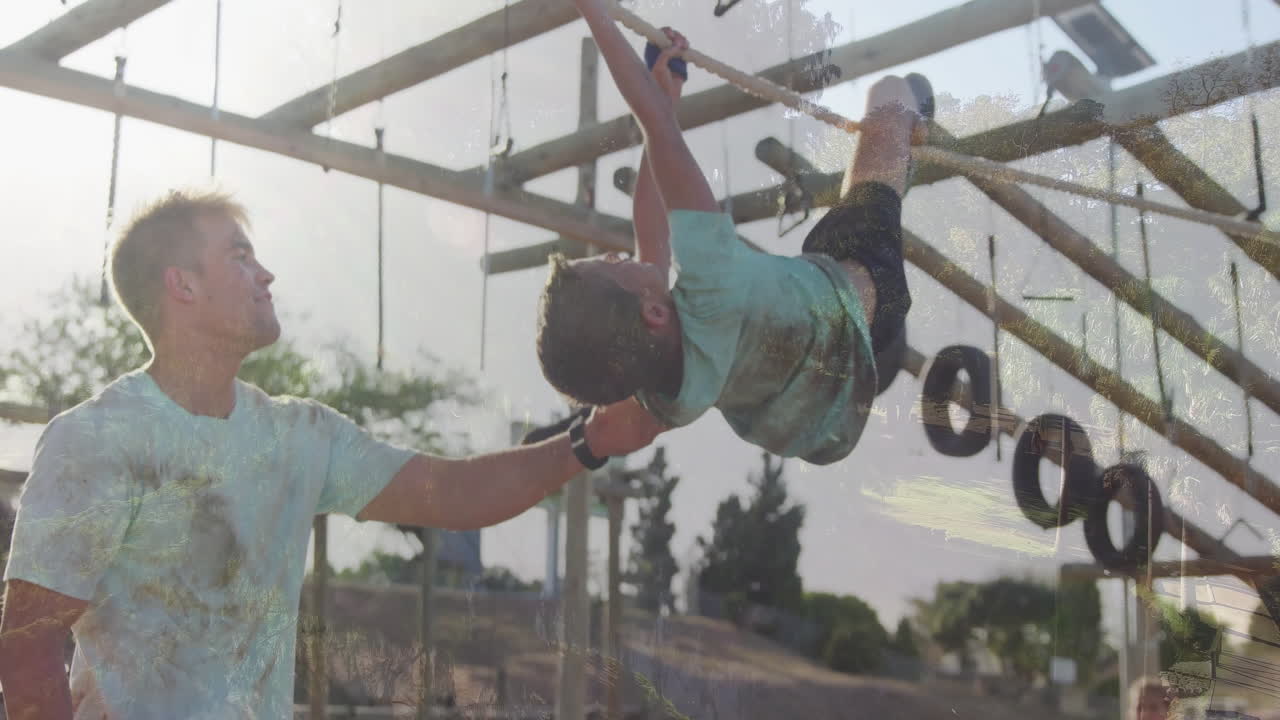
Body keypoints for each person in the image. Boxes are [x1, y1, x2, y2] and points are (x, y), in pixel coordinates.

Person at [0, 190, 659, 719]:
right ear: (183, 285)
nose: (266, 273)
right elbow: (28, 653)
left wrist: (589, 441)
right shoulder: (97, 438)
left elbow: (452, 494)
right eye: (239, 256)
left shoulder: (299, 436)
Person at [536, 0, 930, 465]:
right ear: (654, 314)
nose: (616, 255)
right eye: (613, 264)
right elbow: (658, 131)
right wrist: (595, 14)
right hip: (865, 293)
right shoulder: (711, 283)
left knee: (832, 239)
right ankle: (916, 118)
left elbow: (652, 237)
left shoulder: (667, 394)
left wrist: (665, 94)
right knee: (893, 93)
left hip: (834, 405)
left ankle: (906, 145)